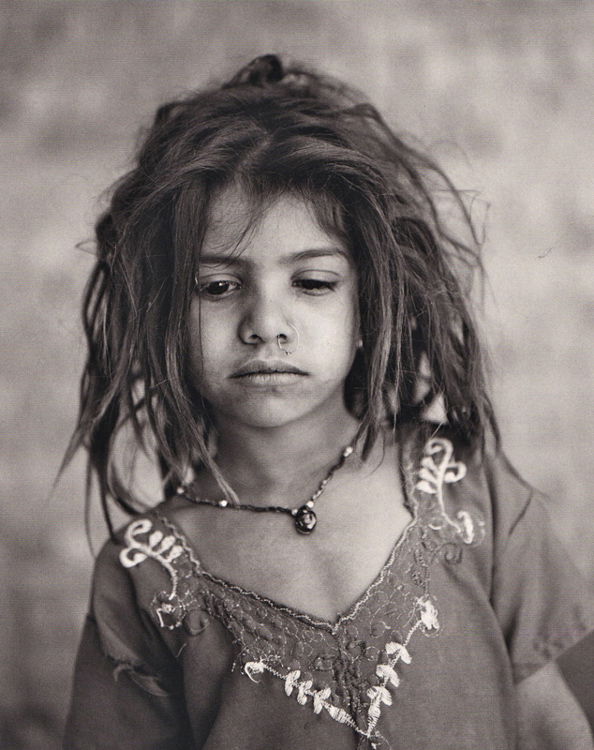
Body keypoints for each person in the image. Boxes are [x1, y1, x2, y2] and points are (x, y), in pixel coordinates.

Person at [63, 54, 593, 750]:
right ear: (164, 311)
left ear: (368, 301)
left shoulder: (468, 495)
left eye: (312, 282)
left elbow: (551, 726)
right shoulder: (147, 577)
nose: (265, 323)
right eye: (218, 287)